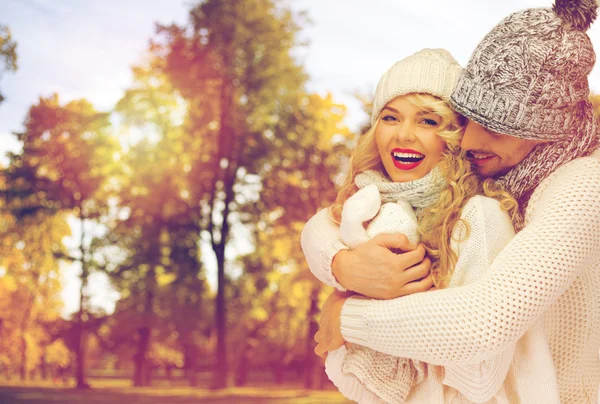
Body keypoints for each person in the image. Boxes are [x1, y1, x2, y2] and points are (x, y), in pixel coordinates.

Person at [308, 0, 600, 403]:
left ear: (546, 131)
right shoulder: (501, 173)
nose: (469, 142)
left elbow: (484, 320)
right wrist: (341, 265)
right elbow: (327, 220)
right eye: (466, 121)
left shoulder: (583, 187)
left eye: (496, 130)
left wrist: (346, 317)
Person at [302, 48, 522, 403]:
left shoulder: (479, 217)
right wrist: (343, 268)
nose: (404, 135)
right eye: (390, 118)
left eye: (427, 121)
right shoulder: (372, 206)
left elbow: (480, 376)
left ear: (455, 134)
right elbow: (318, 227)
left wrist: (345, 312)